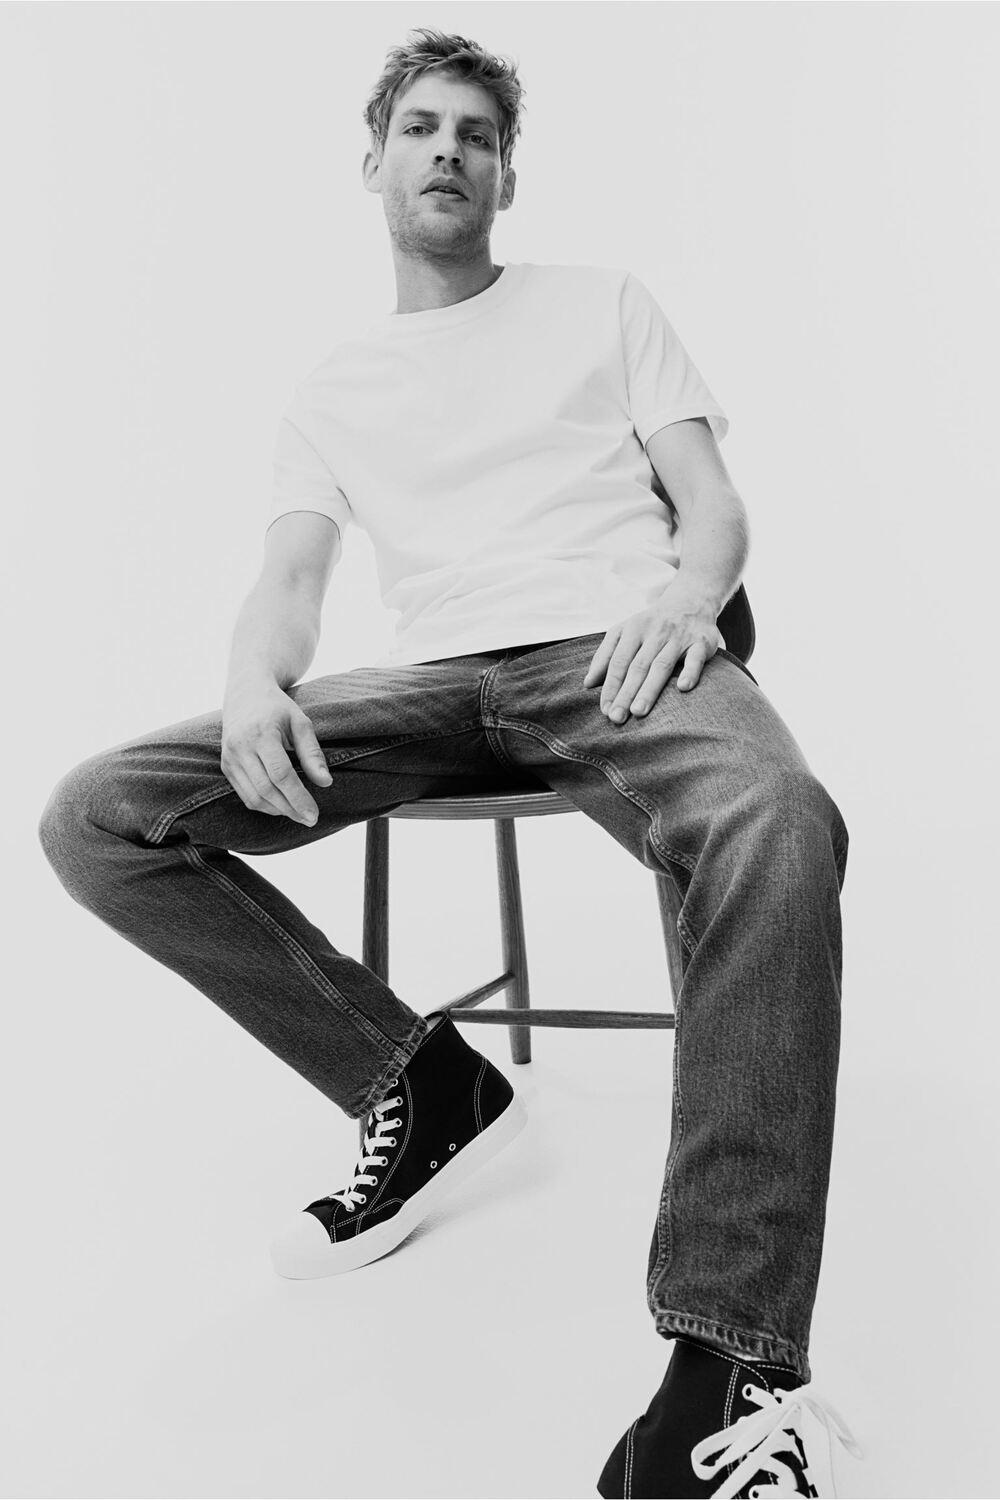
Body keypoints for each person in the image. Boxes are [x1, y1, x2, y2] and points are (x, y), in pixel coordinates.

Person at [37, 27, 865, 1499]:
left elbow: (715, 507)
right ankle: (420, 1087)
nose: (448, 152)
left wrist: (688, 596)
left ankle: (723, 1365)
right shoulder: (336, 387)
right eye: (421, 129)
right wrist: (250, 684)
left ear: (505, 177)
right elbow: (290, 581)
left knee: (783, 820)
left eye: (476, 135)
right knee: (99, 815)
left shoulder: (602, 303)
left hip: (616, 652)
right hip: (432, 687)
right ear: (373, 165)